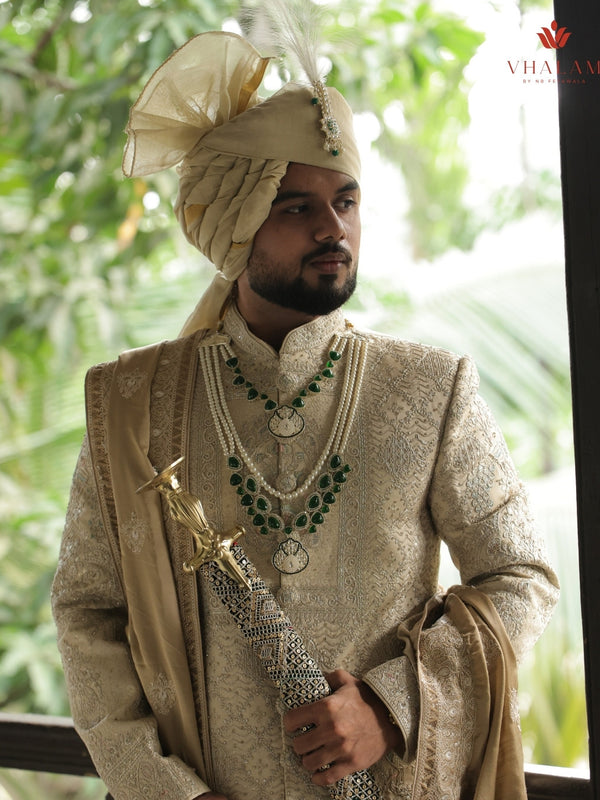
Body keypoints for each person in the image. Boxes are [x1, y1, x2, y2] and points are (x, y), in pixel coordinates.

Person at [51, 25, 559, 800]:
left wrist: (390, 709)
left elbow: (521, 576)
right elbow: (88, 614)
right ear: (235, 227)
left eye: (345, 201)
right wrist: (168, 793)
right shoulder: (131, 406)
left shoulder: (429, 388)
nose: (334, 230)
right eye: (297, 208)